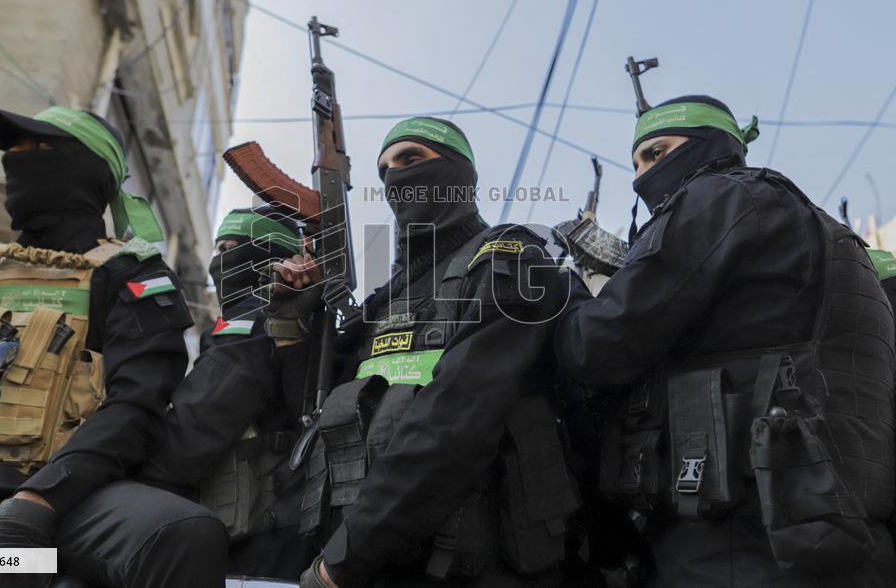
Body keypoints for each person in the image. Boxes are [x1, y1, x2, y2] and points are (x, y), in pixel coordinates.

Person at [553, 95, 896, 586]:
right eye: (636, 163)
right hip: (833, 531)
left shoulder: (722, 197)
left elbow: (596, 347)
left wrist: (562, 291)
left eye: (657, 153)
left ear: (710, 144)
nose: (642, 176)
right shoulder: (826, 233)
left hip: (739, 543)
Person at [0, 105, 226, 587]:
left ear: (89, 169)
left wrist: (36, 503)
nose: (17, 158)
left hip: (40, 507)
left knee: (180, 533)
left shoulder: (130, 273)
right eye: (13, 149)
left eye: (39, 147)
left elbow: (136, 404)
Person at [266, 117, 582, 587]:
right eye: (385, 170)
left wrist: (344, 560)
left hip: (474, 566)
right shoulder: (385, 300)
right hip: (370, 559)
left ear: (458, 172)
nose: (396, 177)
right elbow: (318, 423)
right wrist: (292, 329)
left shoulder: (509, 258)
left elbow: (456, 418)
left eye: (411, 158)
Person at [136, 205, 317, 579]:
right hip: (261, 529)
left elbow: (194, 428)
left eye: (232, 249)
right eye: (218, 249)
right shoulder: (264, 321)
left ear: (269, 257)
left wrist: (117, 469)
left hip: (254, 538)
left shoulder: (253, 320)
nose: (219, 262)